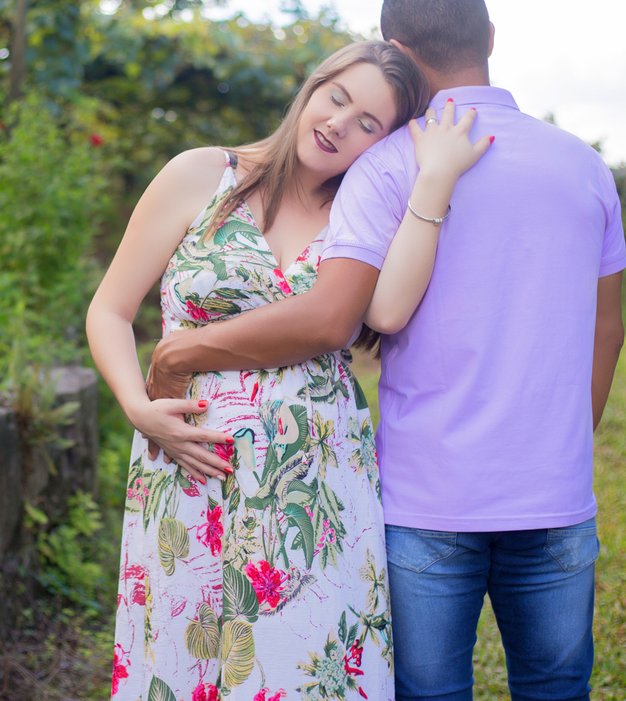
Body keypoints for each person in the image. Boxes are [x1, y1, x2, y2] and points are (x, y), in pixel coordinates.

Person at [145, 0, 626, 701]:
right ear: (490, 37)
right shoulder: (585, 166)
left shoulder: (385, 164)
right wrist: (563, 446)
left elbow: (364, 314)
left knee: (428, 692)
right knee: (557, 685)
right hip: (554, 491)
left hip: (425, 497)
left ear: (394, 50)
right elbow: (608, 331)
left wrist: (182, 347)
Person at [88, 39, 492, 701]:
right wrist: (138, 406)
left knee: (305, 670)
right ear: (312, 87)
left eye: (368, 123)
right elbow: (110, 310)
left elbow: (386, 313)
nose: (339, 124)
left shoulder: (364, 212)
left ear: (384, 143)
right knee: (188, 657)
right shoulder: (201, 175)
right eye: (337, 98)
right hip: (193, 463)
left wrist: (432, 182)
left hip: (317, 483)